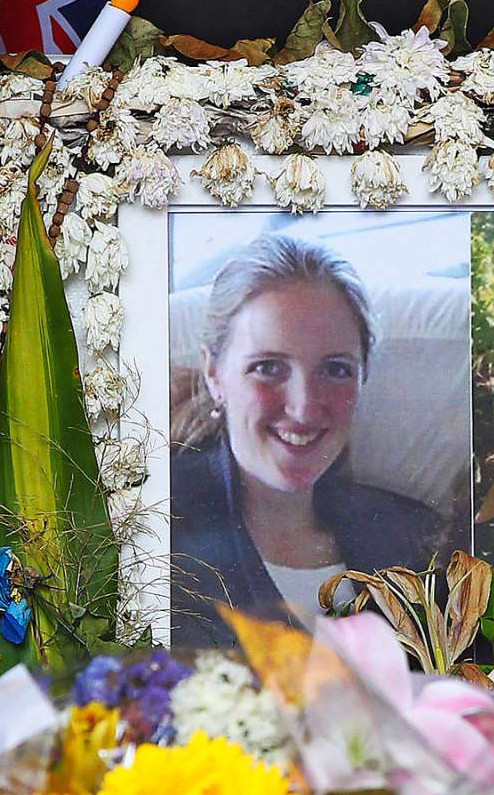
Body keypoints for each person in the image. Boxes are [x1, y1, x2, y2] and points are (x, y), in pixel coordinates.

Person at [168, 234, 444, 641]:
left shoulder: (413, 539)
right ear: (214, 374)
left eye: (335, 370)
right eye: (267, 367)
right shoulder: (155, 525)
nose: (304, 409)